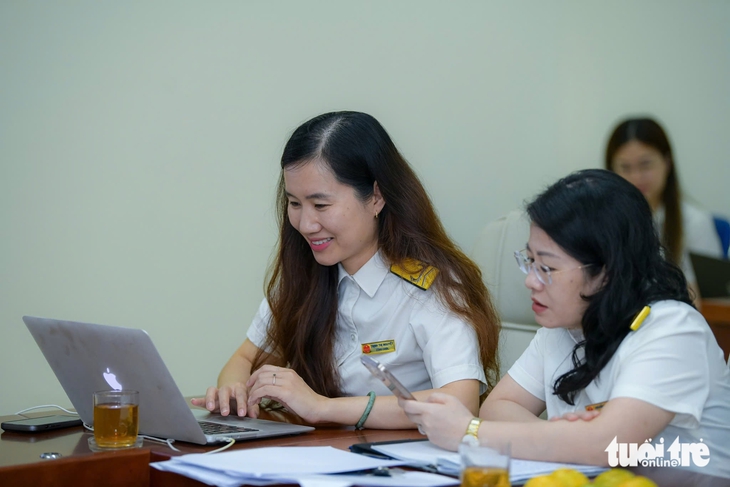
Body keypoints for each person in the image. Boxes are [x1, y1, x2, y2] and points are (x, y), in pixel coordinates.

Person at [399, 169, 730, 479]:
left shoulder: (673, 329)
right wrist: (569, 439)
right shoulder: (562, 326)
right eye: (530, 260)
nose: (530, 281)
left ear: (607, 270)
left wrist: (469, 432)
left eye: (547, 268)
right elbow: (499, 407)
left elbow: (608, 446)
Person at [191, 111, 500, 429]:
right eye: (294, 204)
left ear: (376, 197)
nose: (306, 224)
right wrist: (234, 390)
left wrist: (323, 408)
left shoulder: (431, 287)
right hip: (325, 449)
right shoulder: (306, 273)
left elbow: (460, 402)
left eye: (321, 205)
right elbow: (245, 360)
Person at [605, 117, 724, 300]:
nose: (636, 177)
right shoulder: (604, 222)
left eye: (645, 164)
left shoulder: (695, 222)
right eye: (625, 167)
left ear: (667, 163)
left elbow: (711, 299)